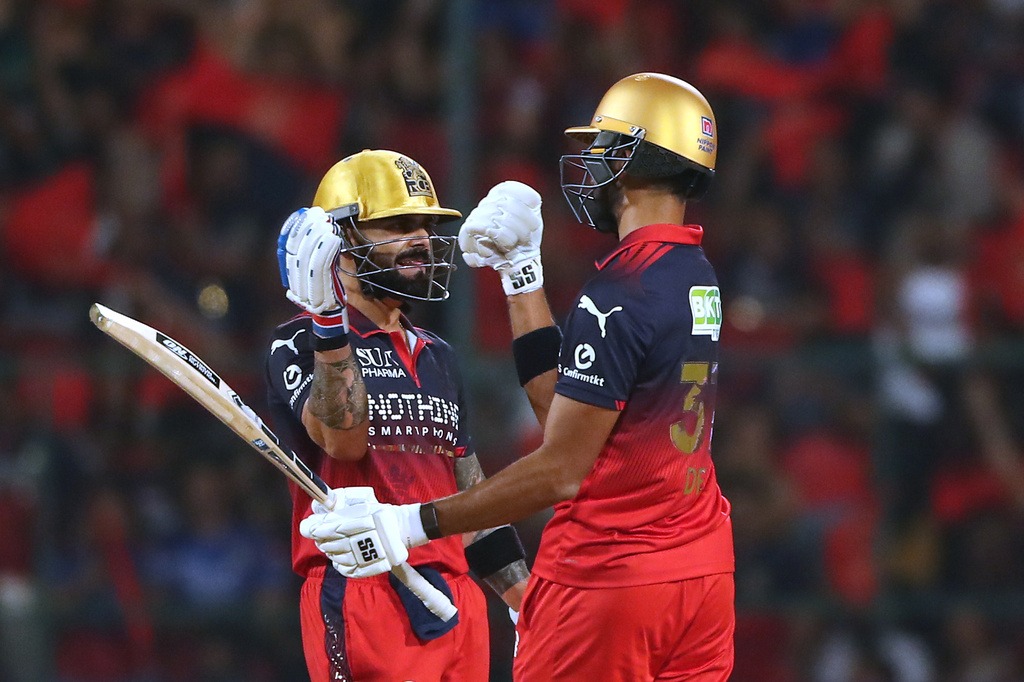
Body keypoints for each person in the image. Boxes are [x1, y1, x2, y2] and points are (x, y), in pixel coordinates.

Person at [301, 73, 736, 681]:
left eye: (606, 146)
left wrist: (412, 521)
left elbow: (560, 469)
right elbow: (572, 413)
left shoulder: (618, 293)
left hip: (607, 580)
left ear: (637, 158)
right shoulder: (696, 272)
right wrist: (521, 278)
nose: (592, 162)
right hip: (702, 571)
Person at [265, 149, 530, 682]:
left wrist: (526, 601)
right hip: (362, 591)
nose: (421, 240)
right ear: (338, 243)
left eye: (425, 226)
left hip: (458, 601)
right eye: (398, 225)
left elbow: (469, 496)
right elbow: (343, 441)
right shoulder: (295, 342)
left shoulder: (440, 354)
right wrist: (327, 319)